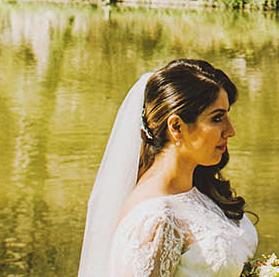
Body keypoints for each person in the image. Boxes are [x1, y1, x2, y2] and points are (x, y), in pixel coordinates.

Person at [77, 58, 258, 277]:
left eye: (227, 115)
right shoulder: (153, 220)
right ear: (176, 127)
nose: (230, 130)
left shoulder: (199, 188)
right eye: (217, 118)